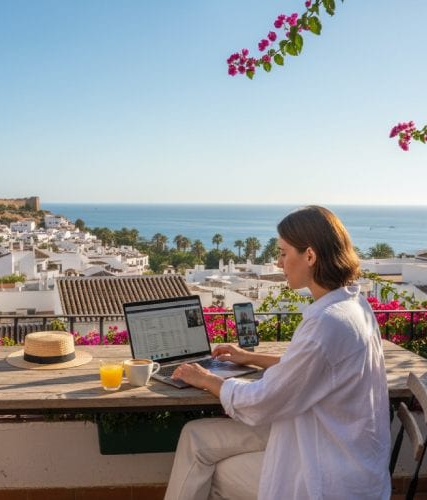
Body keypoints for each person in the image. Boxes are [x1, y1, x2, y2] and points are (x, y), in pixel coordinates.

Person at [164, 206, 391, 500]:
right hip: (328, 439)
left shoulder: (327, 322)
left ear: (310, 256)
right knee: (195, 437)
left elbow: (265, 400)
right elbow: (317, 368)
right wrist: (251, 357)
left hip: (327, 472)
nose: (279, 262)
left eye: (284, 253)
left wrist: (205, 378)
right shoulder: (352, 306)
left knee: (212, 470)